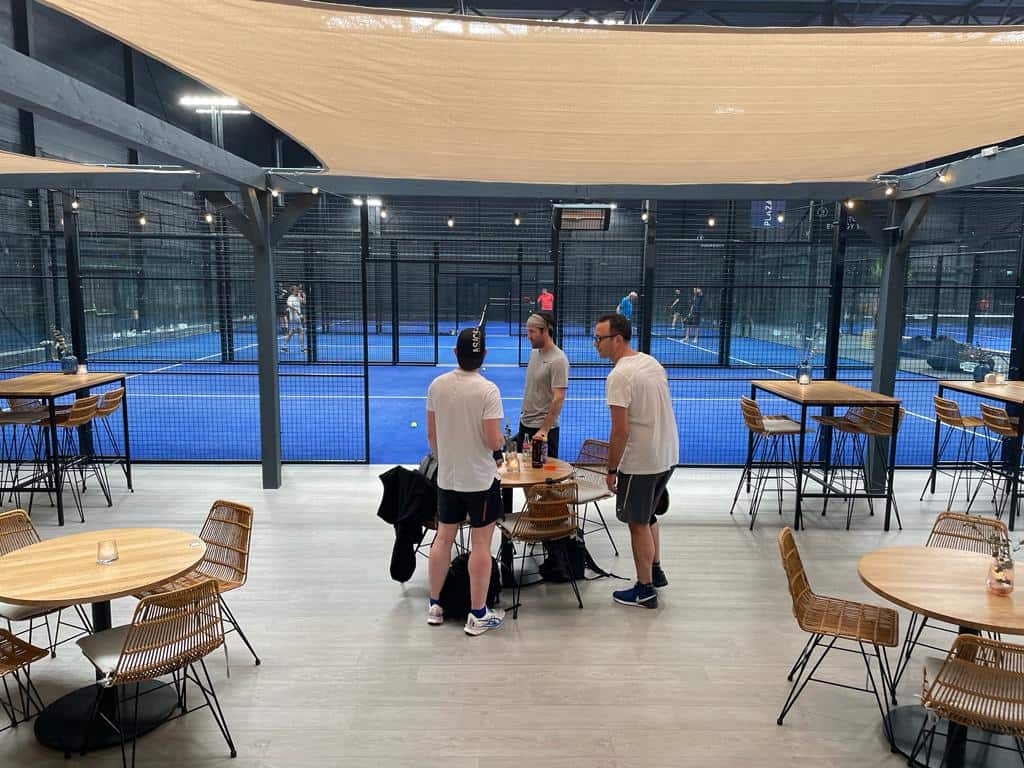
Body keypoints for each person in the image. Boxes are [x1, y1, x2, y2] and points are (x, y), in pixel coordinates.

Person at [593, 313, 678, 609]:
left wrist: (611, 470)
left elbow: (620, 431)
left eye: (599, 338)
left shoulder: (619, 376)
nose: (596, 344)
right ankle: (655, 571)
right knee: (648, 515)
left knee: (637, 523)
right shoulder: (650, 363)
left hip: (642, 462)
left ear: (617, 339)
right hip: (667, 455)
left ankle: (645, 590)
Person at [425, 327, 505, 636]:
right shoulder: (488, 391)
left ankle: (435, 606)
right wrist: (501, 449)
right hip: (481, 481)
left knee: (443, 538)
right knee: (481, 544)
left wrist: (447, 457)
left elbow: (432, 436)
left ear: (456, 353)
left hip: (448, 478)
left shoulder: (437, 385)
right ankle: (478, 614)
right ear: (484, 355)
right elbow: (493, 439)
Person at [516, 312, 568, 458]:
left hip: (544, 431)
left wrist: (544, 430)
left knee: (543, 472)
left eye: (532, 331)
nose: (528, 336)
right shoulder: (534, 353)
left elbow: (558, 398)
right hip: (525, 424)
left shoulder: (558, 360)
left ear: (545, 331)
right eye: (528, 331)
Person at [280, 285, 306, 353]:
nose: (297, 291)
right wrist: (296, 310)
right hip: (294, 317)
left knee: (291, 333)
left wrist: (304, 296)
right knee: (301, 332)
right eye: (296, 290)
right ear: (292, 291)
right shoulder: (290, 298)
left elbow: (304, 302)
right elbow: (288, 305)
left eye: (297, 290)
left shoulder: (298, 297)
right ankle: (302, 349)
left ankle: (284, 347)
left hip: (297, 317)